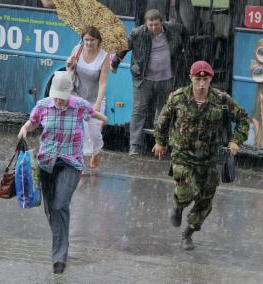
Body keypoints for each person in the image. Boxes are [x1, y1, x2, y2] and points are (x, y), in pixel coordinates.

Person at [152, 61, 249, 250]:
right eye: (198, 79)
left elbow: (243, 118)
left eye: (206, 79)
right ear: (191, 78)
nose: (202, 84)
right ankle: (179, 206)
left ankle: (188, 233)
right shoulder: (178, 98)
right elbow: (163, 120)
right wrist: (159, 142)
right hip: (183, 154)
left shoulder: (221, 100)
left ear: (211, 79)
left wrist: (236, 140)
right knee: (187, 189)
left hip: (210, 156)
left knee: (205, 199)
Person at [17, 71, 107, 274]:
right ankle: (61, 242)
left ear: (70, 92)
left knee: (60, 204)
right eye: (56, 95)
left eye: (62, 96)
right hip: (46, 163)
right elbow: (32, 122)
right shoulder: (43, 106)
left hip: (70, 163)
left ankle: (59, 257)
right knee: (51, 210)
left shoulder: (79, 106)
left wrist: (103, 119)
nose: (59, 100)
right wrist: (24, 129)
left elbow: (95, 114)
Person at [111, 9, 188, 155]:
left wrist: (184, 49)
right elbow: (123, 48)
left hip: (166, 78)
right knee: (139, 110)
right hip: (143, 79)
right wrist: (115, 62)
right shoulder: (137, 33)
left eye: (156, 24)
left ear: (161, 22)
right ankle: (134, 145)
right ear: (146, 24)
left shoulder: (172, 28)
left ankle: (162, 144)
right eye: (150, 25)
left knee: (165, 112)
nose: (153, 28)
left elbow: (185, 32)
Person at [67, 26, 110, 168]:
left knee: (94, 132)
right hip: (78, 97)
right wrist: (70, 63)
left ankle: (96, 151)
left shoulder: (104, 57)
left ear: (98, 41)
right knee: (79, 130)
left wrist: (97, 103)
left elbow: (103, 83)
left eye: (92, 40)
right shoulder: (77, 49)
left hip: (94, 99)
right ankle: (80, 162)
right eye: (86, 39)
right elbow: (70, 71)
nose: (89, 43)